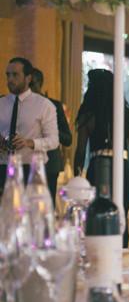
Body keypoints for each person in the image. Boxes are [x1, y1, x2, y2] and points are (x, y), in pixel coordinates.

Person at [74, 69, 129, 247]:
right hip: (122, 166)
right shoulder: (125, 115)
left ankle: (100, 251)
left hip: (98, 167)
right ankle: (122, 253)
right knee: (121, 215)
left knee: (99, 215)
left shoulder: (88, 116)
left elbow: (80, 151)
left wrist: (76, 175)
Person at [0, 57, 58, 190]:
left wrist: (30, 143)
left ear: (28, 78)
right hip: (3, 167)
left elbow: (54, 140)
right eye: (8, 75)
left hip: (32, 169)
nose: (10, 79)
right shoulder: (1, 103)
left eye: (15, 75)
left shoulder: (44, 105)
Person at [31, 68, 73, 203]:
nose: (30, 89)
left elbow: (68, 139)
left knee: (47, 208)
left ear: (40, 83)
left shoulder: (54, 106)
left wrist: (50, 128)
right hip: (27, 164)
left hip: (49, 165)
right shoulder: (20, 106)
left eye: (33, 85)